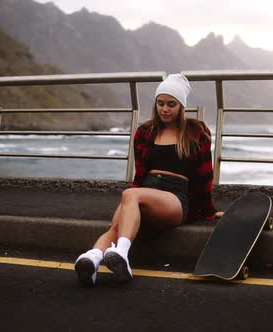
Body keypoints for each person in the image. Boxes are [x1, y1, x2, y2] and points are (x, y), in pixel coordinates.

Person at [74, 73, 224, 286]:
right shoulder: (145, 131)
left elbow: (204, 175)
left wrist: (208, 210)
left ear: (181, 106)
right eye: (160, 103)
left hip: (175, 197)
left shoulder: (195, 131)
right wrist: (129, 205)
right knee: (117, 225)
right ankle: (92, 259)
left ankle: (122, 255)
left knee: (129, 195)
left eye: (171, 104)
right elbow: (140, 173)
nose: (165, 109)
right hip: (146, 191)